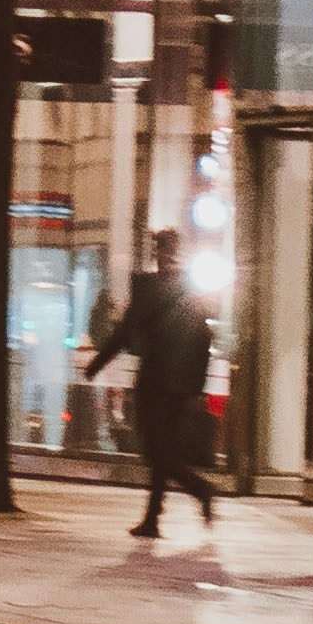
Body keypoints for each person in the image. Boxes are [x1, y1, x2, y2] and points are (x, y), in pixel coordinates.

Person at [102, 229, 218, 540]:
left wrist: (99, 361)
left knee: (156, 453)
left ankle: (199, 489)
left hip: (156, 384)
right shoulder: (191, 292)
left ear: (159, 253)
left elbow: (128, 329)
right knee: (161, 452)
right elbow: (204, 340)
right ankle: (153, 518)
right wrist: (196, 388)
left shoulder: (151, 288)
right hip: (180, 388)